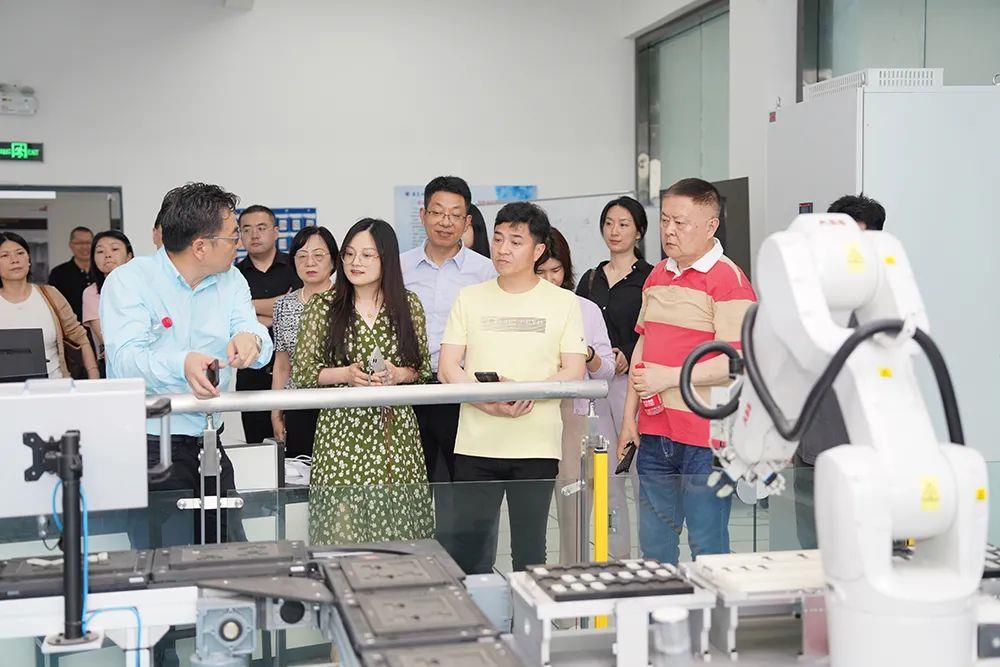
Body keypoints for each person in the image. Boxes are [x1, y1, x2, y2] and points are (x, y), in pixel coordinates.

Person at [101, 183, 272, 545]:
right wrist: (182, 364)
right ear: (200, 246)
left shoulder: (231, 279)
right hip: (152, 446)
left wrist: (252, 340)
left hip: (209, 440)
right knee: (166, 559)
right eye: (233, 236)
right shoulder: (129, 282)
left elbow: (252, 331)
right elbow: (126, 360)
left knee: (231, 554)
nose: (239, 243)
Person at [439, 202, 586, 574]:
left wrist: (526, 392)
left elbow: (574, 369)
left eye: (515, 241)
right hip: (476, 442)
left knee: (530, 549)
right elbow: (447, 368)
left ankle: (527, 612)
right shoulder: (470, 297)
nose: (503, 249)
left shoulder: (563, 302)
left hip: (536, 443)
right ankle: (476, 612)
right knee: (469, 550)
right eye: (499, 238)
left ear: (538, 250)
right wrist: (488, 401)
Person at [619, 178, 756, 565]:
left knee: (706, 544)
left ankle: (711, 606)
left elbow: (737, 361)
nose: (669, 231)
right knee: (655, 546)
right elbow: (643, 345)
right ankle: (661, 603)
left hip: (705, 438)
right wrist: (629, 419)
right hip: (655, 431)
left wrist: (669, 377)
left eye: (680, 223)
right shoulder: (657, 275)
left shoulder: (729, 281)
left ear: (711, 226)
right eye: (665, 220)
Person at [293, 218, 433, 544]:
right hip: (341, 431)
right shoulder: (324, 306)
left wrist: (398, 374)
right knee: (343, 528)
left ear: (387, 259)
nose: (356, 262)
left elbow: (422, 368)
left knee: (398, 526)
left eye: (367, 255)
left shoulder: (408, 304)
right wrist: (346, 374)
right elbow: (303, 373)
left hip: (395, 431)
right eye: (349, 254)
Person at [792, 193, 885, 548]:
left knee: (865, 546)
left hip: (870, 453)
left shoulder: (888, 296)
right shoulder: (809, 293)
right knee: (813, 548)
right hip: (814, 449)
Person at [535, 227, 631, 560]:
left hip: (574, 420)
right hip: (530, 419)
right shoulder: (522, 309)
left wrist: (587, 354)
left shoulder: (585, 310)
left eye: (556, 270)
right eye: (541, 272)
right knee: (534, 511)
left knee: (576, 509)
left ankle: (574, 570)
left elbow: (606, 371)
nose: (550, 279)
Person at [400, 176, 496, 487]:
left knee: (465, 484)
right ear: (423, 215)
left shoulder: (486, 271)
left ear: (467, 221)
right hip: (410, 389)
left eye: (455, 215)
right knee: (413, 483)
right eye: (438, 212)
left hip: (463, 392)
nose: (445, 222)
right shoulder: (399, 268)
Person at [575, 196, 652, 547]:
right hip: (595, 385)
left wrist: (627, 355)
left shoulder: (650, 278)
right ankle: (616, 553)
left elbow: (653, 330)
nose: (614, 231)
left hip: (632, 384)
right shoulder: (592, 279)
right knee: (605, 473)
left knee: (638, 470)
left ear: (639, 231)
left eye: (623, 224)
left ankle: (650, 552)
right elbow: (578, 326)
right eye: (608, 223)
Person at [235, 205, 302, 445]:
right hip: (251, 376)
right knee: (257, 449)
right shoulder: (232, 276)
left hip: (294, 371)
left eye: (261, 228)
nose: (254, 235)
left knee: (298, 452)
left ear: (275, 231)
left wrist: (248, 308)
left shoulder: (296, 266)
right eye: (246, 229)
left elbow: (302, 304)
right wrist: (282, 305)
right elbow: (229, 318)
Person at [270, 225, 338, 458]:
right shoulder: (283, 305)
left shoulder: (347, 301)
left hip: (339, 407)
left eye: (318, 255)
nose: (310, 263)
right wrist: (276, 412)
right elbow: (282, 366)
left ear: (333, 261)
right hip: (298, 405)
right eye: (302, 256)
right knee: (300, 470)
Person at [0, 231, 99, 380]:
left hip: (54, 386)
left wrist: (93, 375)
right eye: (5, 255)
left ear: (29, 260)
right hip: (5, 391)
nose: (14, 260)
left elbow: (79, 337)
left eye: (20, 253)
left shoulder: (50, 295)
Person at [81, 230, 134, 375]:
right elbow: (106, 337)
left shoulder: (143, 287)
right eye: (100, 251)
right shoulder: (91, 293)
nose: (107, 255)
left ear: (129, 256)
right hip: (112, 366)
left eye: (115, 249)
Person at [48, 226, 95, 322]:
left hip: (101, 327)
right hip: (70, 328)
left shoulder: (102, 271)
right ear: (71, 245)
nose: (85, 247)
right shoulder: (58, 273)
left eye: (88, 243)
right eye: (79, 243)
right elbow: (54, 306)